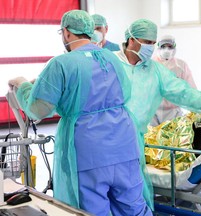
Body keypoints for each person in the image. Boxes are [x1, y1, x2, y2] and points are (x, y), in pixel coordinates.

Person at [8, 10, 152, 216]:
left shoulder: (61, 64)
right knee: (133, 207)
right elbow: (125, 94)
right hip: (124, 146)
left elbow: (38, 109)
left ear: (66, 33)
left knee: (91, 211)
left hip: (88, 151)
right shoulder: (112, 59)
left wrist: (22, 85)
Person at [113, 18, 201, 209]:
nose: (151, 47)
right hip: (108, 138)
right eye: (147, 42)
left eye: (152, 43)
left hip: (136, 138)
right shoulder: (111, 63)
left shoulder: (154, 70)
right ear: (132, 39)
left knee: (132, 193)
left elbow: (186, 93)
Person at [151, 35, 197, 126]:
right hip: (152, 113)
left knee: (172, 139)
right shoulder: (149, 65)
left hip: (173, 112)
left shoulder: (181, 65)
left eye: (170, 47)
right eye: (163, 46)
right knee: (152, 138)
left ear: (174, 48)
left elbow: (191, 90)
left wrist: (195, 109)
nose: (166, 50)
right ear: (158, 47)